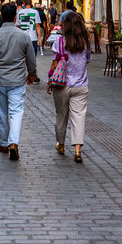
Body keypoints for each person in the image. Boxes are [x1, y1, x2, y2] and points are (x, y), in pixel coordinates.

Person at [0, 0, 38, 160]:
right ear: (15, 17)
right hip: (17, 80)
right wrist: (32, 73)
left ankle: (4, 142)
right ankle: (14, 143)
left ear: (2, 17)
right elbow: (31, 58)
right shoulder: (23, 36)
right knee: (16, 111)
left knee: (2, 112)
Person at [50, 9, 91, 162]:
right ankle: (77, 150)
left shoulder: (60, 42)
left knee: (61, 115)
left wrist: (50, 80)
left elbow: (55, 62)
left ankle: (61, 144)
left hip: (61, 85)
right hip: (81, 84)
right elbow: (87, 59)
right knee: (79, 116)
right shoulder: (85, 42)